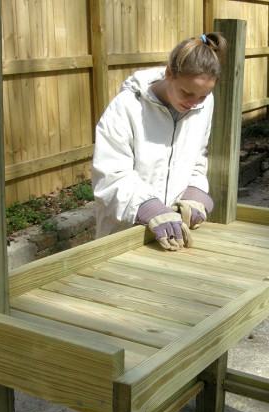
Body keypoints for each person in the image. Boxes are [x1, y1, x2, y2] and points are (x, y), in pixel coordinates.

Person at [91, 32, 228, 251]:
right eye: (187, 92)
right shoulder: (126, 107)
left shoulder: (204, 103)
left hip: (173, 237)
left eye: (202, 96)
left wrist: (194, 195)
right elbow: (110, 177)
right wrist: (151, 209)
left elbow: (198, 157)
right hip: (123, 237)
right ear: (169, 73)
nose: (194, 103)